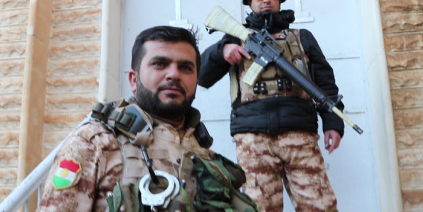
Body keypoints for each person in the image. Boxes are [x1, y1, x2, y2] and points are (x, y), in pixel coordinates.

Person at [37, 26, 258, 212]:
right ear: (133, 80)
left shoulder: (205, 154)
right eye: (160, 64)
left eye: (185, 67)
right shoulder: (96, 143)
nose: (174, 74)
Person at [199, 0, 345, 212]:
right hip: (253, 140)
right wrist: (222, 51)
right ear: (249, 1)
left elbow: (325, 84)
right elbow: (202, 76)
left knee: (320, 206)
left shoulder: (302, 38)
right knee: (259, 207)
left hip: (300, 135)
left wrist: (333, 122)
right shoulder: (234, 38)